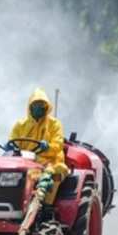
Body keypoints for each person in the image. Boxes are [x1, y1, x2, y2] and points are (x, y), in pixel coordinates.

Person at [7, 88, 70, 221]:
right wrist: (9, 146)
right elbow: (12, 141)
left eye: (41, 105)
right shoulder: (20, 125)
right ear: (29, 106)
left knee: (55, 173)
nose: (38, 108)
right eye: (35, 105)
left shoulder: (54, 124)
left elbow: (58, 145)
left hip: (49, 162)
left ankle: (46, 209)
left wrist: (47, 147)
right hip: (25, 162)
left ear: (47, 107)